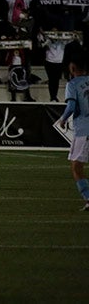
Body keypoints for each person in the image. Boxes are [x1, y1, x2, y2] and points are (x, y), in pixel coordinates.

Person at [55, 54, 89, 211]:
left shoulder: (73, 84)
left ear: (73, 67)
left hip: (84, 129)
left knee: (76, 166)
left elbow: (71, 106)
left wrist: (62, 120)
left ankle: (88, 197)